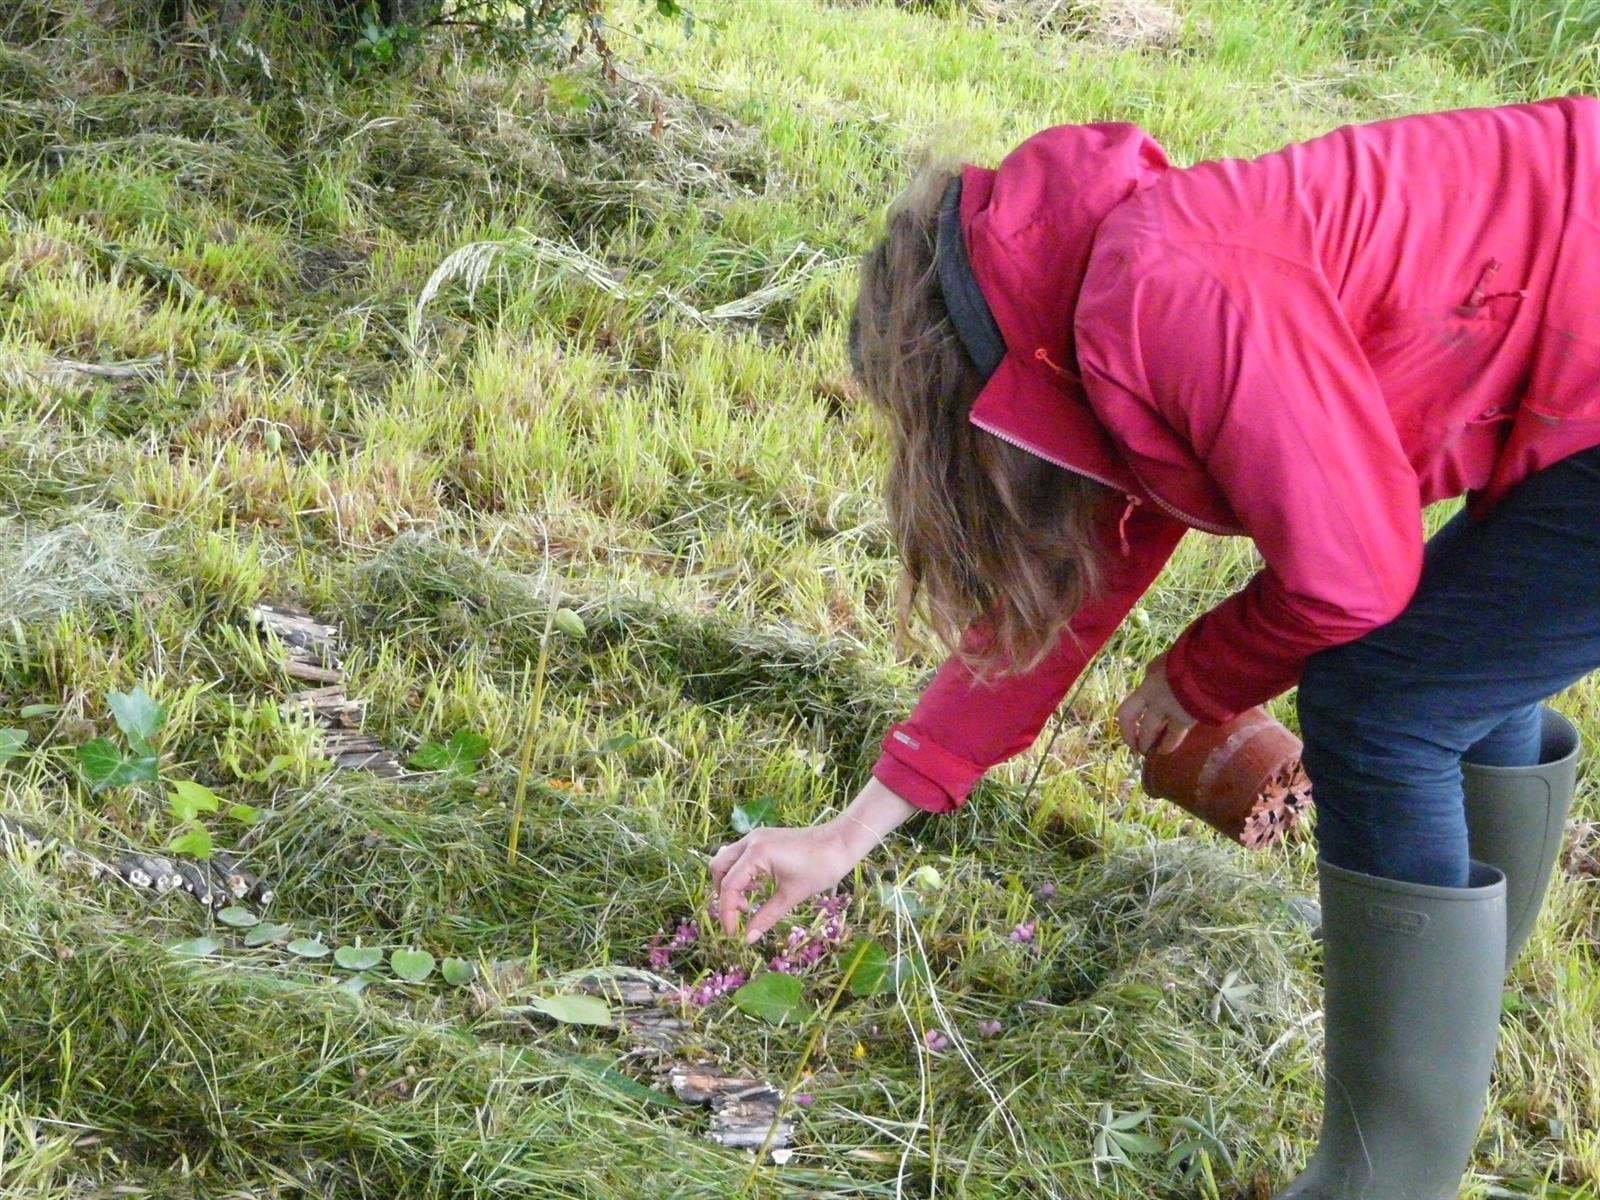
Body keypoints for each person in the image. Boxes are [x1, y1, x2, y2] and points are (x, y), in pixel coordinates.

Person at [709, 98, 1598, 1196]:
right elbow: (1060, 613)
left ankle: (1384, 1177)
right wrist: (848, 836)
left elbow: (1357, 576)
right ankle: (1457, 1012)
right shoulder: (1096, 318)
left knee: (1385, 702)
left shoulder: (1163, 292)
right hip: (1573, 358)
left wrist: (1199, 673)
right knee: (1451, 652)